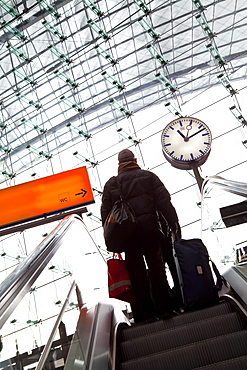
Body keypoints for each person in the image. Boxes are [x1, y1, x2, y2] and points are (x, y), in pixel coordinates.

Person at [101, 149, 180, 323]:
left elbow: (106, 215)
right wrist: (173, 224)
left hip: (128, 236)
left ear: (119, 164)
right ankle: (165, 309)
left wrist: (112, 240)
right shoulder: (149, 177)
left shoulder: (112, 184)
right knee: (157, 269)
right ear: (135, 160)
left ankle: (148, 314)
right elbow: (164, 202)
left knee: (137, 274)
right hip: (150, 230)